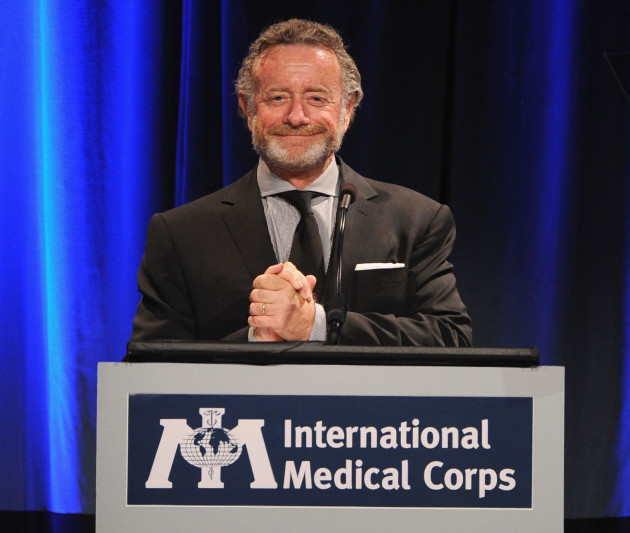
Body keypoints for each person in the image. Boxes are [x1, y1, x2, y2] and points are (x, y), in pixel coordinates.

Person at [130, 19, 472, 346]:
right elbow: (150, 365)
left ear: (348, 109)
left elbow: (449, 337)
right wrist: (255, 339)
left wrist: (316, 326)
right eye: (278, 98)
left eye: (316, 98)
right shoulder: (181, 234)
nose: (296, 117)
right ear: (247, 108)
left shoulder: (416, 220)